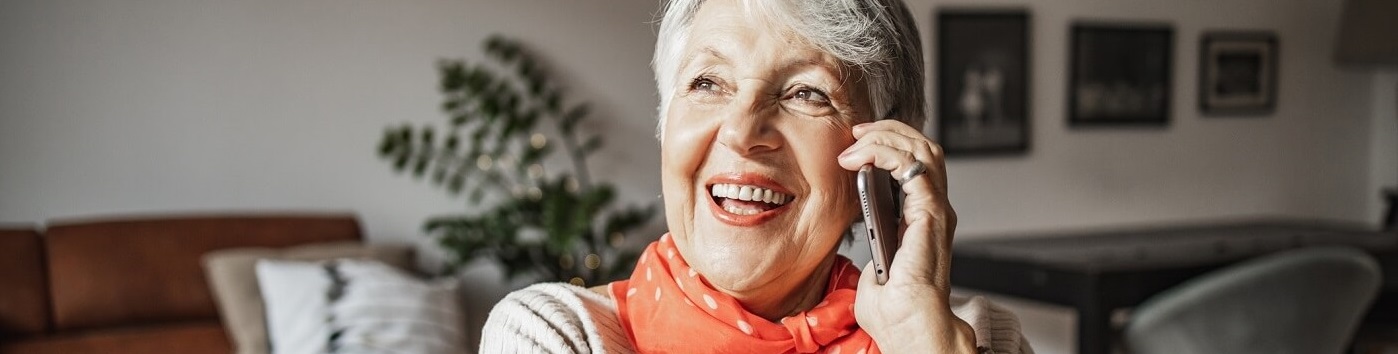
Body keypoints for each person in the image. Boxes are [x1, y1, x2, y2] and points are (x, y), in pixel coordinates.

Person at [481, 0, 1030, 352]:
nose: (742, 132)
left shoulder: (978, 339)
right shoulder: (553, 335)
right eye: (706, 83)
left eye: (806, 93)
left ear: (880, 159)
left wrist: (920, 338)